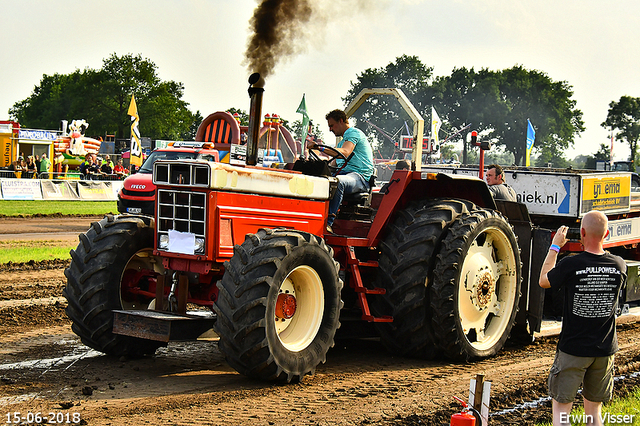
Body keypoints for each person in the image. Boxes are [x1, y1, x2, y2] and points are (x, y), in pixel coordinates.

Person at [539, 210, 627, 426]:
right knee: (594, 414)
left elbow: (543, 280)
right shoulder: (619, 265)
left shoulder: (572, 264)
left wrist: (555, 246)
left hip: (573, 350)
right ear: (606, 234)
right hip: (604, 350)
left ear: (583, 233)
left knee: (561, 411)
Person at [308, 109, 374, 233]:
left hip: (359, 178)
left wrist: (320, 147)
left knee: (338, 182)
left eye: (332, 125)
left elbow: (345, 152)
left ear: (341, 121)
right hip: (345, 173)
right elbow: (334, 161)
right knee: (317, 180)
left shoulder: (353, 133)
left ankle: (327, 224)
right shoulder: (343, 141)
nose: (330, 129)